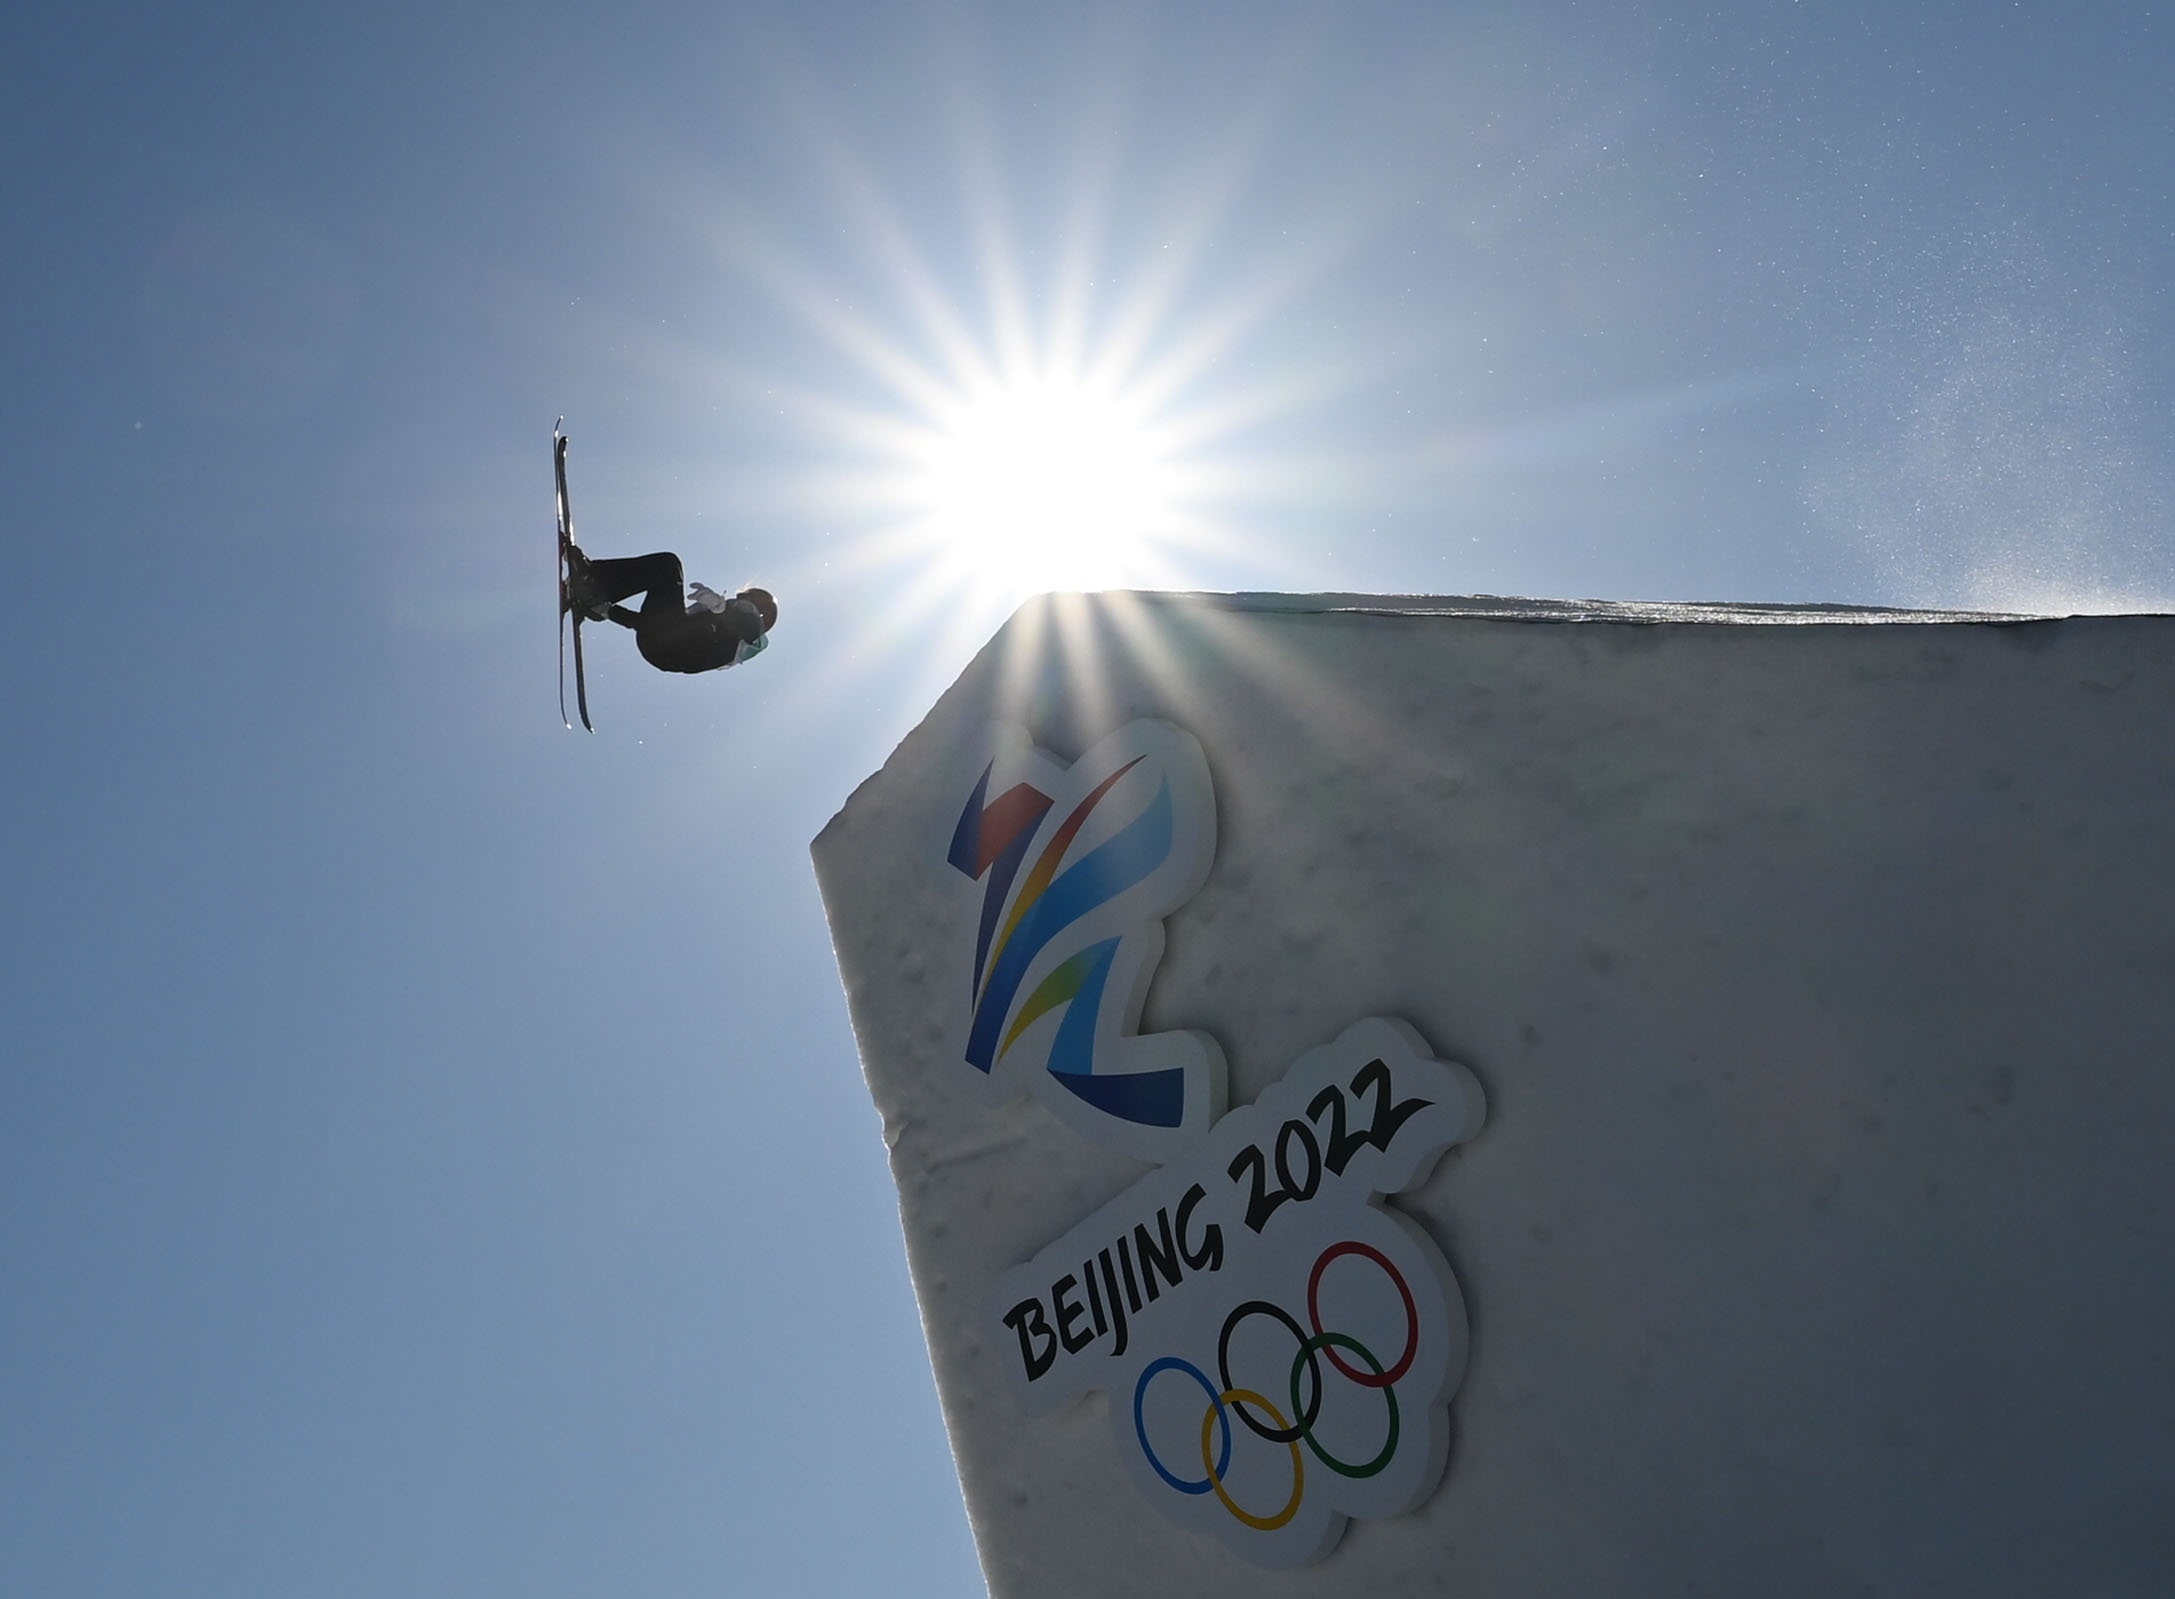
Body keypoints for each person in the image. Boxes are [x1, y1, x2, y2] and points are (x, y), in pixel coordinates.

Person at [566, 547, 775, 675]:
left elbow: (747, 624)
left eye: (743, 599)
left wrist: (720, 608)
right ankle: (592, 583)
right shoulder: (714, 622)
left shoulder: (749, 631)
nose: (736, 600)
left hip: (669, 649)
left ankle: (591, 581)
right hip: (658, 646)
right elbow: (658, 626)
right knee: (666, 568)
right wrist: (605, 611)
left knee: (668, 566)